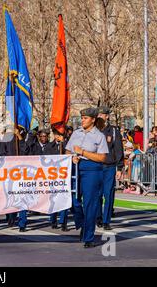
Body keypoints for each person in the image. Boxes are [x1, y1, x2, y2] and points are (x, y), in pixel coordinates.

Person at [65, 107, 109, 248]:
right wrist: (72, 157)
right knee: (73, 200)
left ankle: (88, 236)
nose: (82, 120)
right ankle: (83, 223)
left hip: (92, 170)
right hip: (76, 168)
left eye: (85, 118)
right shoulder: (76, 133)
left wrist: (83, 152)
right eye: (82, 118)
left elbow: (102, 157)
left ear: (93, 120)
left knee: (90, 204)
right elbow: (67, 151)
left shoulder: (99, 136)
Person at [95, 106, 124, 231]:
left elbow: (118, 149)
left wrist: (119, 168)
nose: (100, 116)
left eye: (102, 114)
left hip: (109, 167)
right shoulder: (93, 130)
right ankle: (98, 217)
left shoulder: (113, 131)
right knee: (97, 195)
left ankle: (106, 220)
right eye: (98, 114)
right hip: (96, 167)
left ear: (107, 116)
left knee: (109, 194)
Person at [0, 126, 28, 231]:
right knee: (10, 196)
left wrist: (19, 137)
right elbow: (2, 153)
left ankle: (22, 223)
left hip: (22, 172)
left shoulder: (24, 137)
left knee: (22, 197)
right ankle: (11, 217)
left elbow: (26, 150)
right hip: (10, 171)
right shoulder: (6, 137)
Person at [45, 129, 69, 231]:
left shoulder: (67, 144)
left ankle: (63, 222)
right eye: (57, 134)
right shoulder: (49, 146)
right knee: (53, 199)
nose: (58, 136)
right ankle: (53, 220)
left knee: (64, 198)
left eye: (60, 134)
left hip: (64, 176)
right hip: (53, 176)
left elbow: (69, 152)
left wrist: (63, 143)